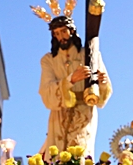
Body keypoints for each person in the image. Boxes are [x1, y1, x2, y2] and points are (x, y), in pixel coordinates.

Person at [38, 14, 111, 157]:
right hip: (59, 115)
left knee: (80, 155)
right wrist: (71, 79)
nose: (61, 37)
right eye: (57, 33)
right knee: (57, 156)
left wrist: (101, 83)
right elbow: (46, 91)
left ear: (72, 31)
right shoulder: (48, 60)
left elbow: (103, 93)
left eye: (63, 31)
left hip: (84, 113)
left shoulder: (89, 54)